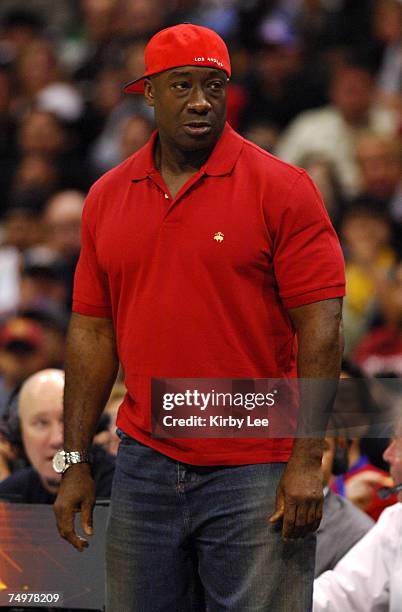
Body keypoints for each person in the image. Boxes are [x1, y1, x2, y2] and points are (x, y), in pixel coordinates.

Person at [54, 24, 345, 611]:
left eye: (214, 86)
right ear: (149, 94)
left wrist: (307, 460)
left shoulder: (283, 189)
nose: (201, 101)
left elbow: (323, 326)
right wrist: (74, 461)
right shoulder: (108, 196)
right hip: (144, 460)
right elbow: (91, 332)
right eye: (182, 85)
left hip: (258, 463)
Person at [313, 427, 402, 611]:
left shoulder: (358, 527)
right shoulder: (395, 522)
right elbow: (339, 594)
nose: (387, 455)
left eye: (399, 444)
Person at [0, 368, 114, 503]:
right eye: (41, 423)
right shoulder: (10, 493)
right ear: (19, 433)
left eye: (68, 420)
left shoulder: (120, 487)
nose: (57, 439)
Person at [315, 436, 374, 577]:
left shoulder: (361, 532)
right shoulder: (255, 510)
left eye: (322, 447)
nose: (307, 459)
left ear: (338, 455)